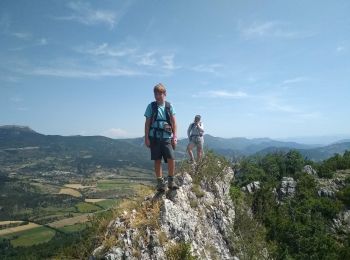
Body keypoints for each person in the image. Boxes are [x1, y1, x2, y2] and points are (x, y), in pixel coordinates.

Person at [144, 83, 178, 192]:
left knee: (171, 158)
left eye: (160, 93)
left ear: (165, 94)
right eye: (156, 94)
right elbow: (147, 123)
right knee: (157, 160)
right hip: (154, 136)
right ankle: (160, 183)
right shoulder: (151, 106)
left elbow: (174, 122)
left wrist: (175, 136)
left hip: (167, 136)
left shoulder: (169, 106)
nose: (158, 96)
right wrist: (146, 138)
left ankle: (171, 181)